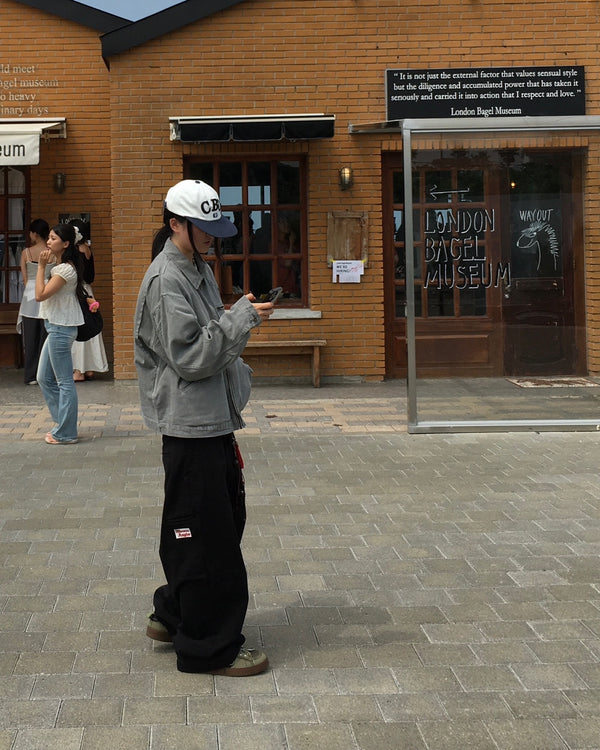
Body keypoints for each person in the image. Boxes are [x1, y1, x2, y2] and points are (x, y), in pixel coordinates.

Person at [134, 179, 275, 676]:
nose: (215, 237)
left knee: (207, 525)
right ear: (177, 224)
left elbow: (208, 336)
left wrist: (237, 318)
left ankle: (174, 613)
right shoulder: (166, 280)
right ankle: (208, 646)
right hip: (192, 423)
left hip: (207, 419)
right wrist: (240, 320)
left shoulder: (193, 266)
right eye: (206, 228)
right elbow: (192, 356)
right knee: (208, 537)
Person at [36, 224, 84, 445]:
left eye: (53, 239)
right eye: (48, 238)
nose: (48, 242)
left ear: (65, 244)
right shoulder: (59, 266)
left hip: (61, 328)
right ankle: (62, 423)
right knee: (43, 378)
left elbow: (40, 295)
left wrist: (40, 267)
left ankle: (66, 432)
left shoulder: (65, 269)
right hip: (55, 326)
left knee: (64, 382)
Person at [68, 221, 108, 381]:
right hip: (88, 291)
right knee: (90, 327)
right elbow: (91, 276)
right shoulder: (88, 250)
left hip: (77, 292)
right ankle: (90, 368)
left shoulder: (73, 252)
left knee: (79, 327)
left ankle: (78, 370)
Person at [17, 219, 53, 384]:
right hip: (48, 293)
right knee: (46, 338)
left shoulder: (26, 253)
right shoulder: (52, 252)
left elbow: (25, 279)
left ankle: (30, 375)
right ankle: (45, 374)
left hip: (30, 296)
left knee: (30, 338)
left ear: (35, 234)